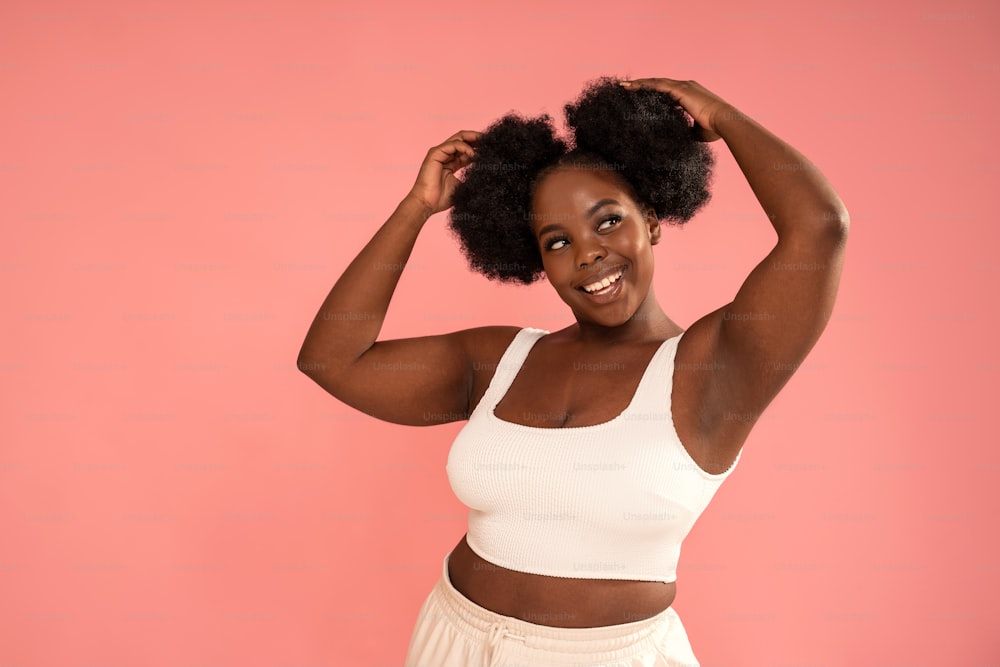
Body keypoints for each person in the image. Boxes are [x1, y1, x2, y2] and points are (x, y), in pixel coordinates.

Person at [297, 75, 849, 666]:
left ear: (653, 219)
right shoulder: (499, 361)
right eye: (556, 241)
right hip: (452, 639)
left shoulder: (714, 368)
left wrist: (720, 113)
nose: (587, 253)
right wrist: (416, 209)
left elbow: (820, 228)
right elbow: (332, 359)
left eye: (608, 220)